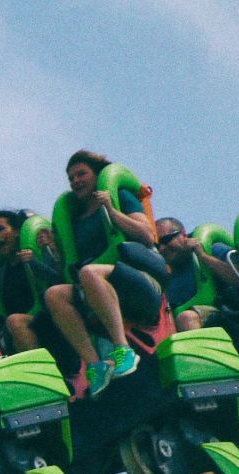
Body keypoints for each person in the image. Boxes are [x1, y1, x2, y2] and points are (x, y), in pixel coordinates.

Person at [41, 149, 155, 394]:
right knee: (54, 294)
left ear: (98, 175)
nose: (76, 181)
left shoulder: (121, 196)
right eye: (71, 178)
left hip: (135, 275)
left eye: (81, 174)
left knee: (89, 273)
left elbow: (147, 235)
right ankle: (95, 365)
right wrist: (51, 250)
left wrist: (112, 212)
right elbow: (69, 267)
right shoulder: (77, 218)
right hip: (93, 280)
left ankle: (123, 349)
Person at [0, 209, 59, 352]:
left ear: (17, 232)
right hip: (18, 332)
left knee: (15, 322)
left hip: (48, 325)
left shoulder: (37, 256)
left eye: (0, 229)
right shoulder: (0, 274)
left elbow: (58, 282)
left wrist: (34, 263)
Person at [156, 216, 239, 332]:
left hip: (223, 313)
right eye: (157, 246)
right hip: (176, 327)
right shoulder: (164, 277)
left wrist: (203, 256)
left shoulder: (210, 249)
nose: (162, 248)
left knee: (187, 318)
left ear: (183, 235)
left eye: (166, 240)